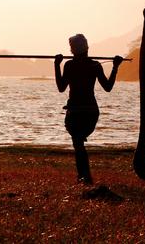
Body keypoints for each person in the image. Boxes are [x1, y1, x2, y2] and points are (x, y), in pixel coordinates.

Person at [54, 34, 123, 184]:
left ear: (72, 50)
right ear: (87, 48)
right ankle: (84, 176)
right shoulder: (94, 65)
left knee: (77, 143)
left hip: (77, 111)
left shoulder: (69, 65)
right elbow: (108, 87)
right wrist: (115, 67)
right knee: (78, 142)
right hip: (90, 112)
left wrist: (56, 65)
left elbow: (61, 88)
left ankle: (84, 177)